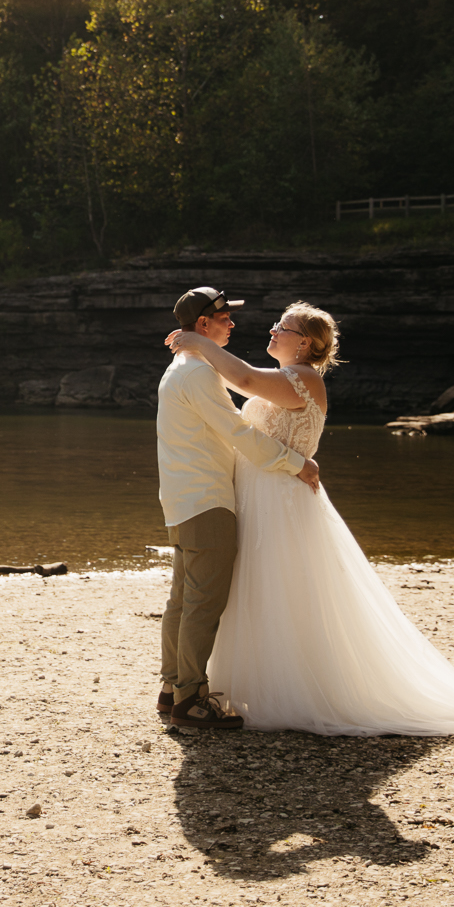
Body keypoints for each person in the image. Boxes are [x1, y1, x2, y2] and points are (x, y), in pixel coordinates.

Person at [165, 302, 454, 737]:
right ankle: (229, 683)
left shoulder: (302, 380)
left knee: (284, 589)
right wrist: (199, 349)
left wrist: (198, 341)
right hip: (258, 493)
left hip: (280, 498)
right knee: (255, 589)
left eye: (282, 327)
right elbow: (234, 389)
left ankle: (290, 689)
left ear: (304, 343)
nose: (271, 329)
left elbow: (243, 380)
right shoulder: (284, 374)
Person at [156, 287, 320, 731]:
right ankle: (189, 699)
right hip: (207, 501)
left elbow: (241, 389)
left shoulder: (182, 368)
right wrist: (295, 463)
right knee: (203, 604)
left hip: (181, 499)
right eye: (225, 318)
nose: (232, 324)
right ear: (204, 325)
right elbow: (236, 432)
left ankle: (171, 688)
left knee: (182, 599)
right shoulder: (197, 374)